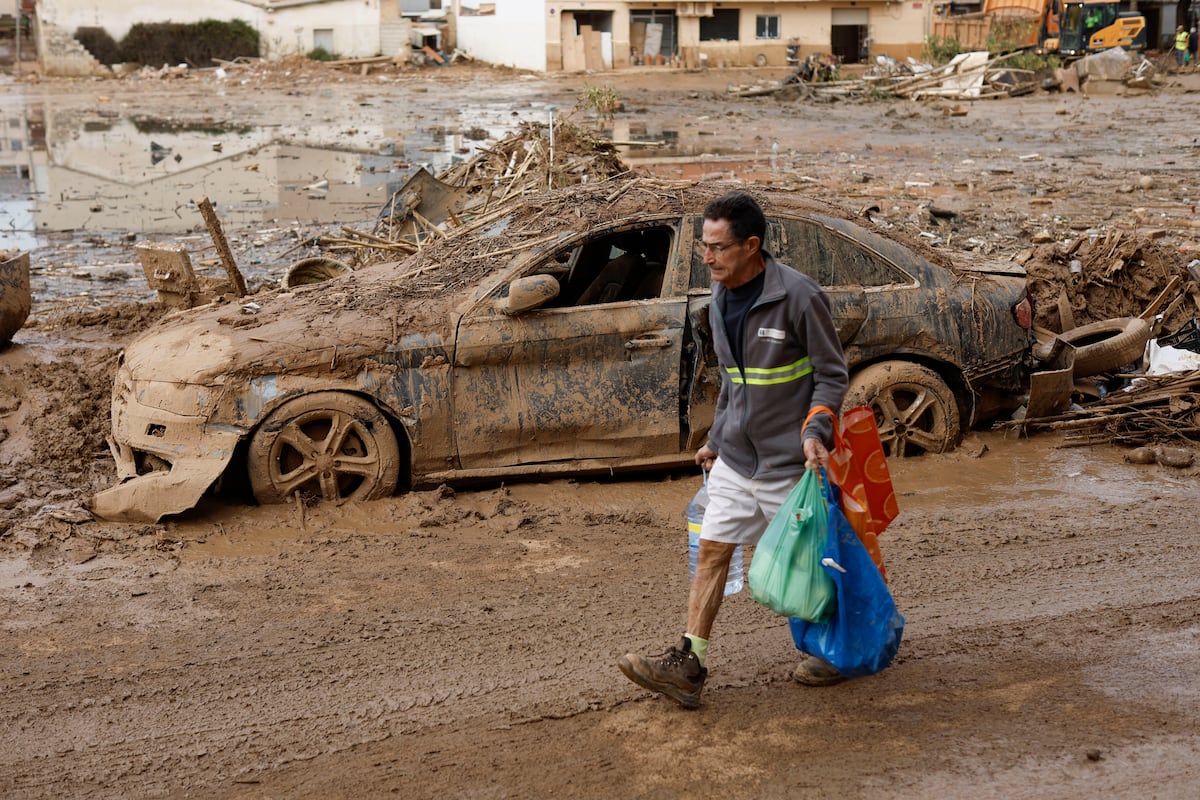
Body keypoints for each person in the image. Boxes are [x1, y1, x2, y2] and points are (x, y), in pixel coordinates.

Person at [617, 190, 850, 709]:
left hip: (791, 465)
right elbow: (732, 383)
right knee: (713, 553)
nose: (707, 257)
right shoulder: (720, 301)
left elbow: (832, 376)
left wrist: (816, 431)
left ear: (751, 245)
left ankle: (841, 647)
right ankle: (689, 663)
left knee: (808, 566)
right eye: (705, 245)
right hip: (739, 463)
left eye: (718, 247)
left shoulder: (799, 297)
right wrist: (718, 440)